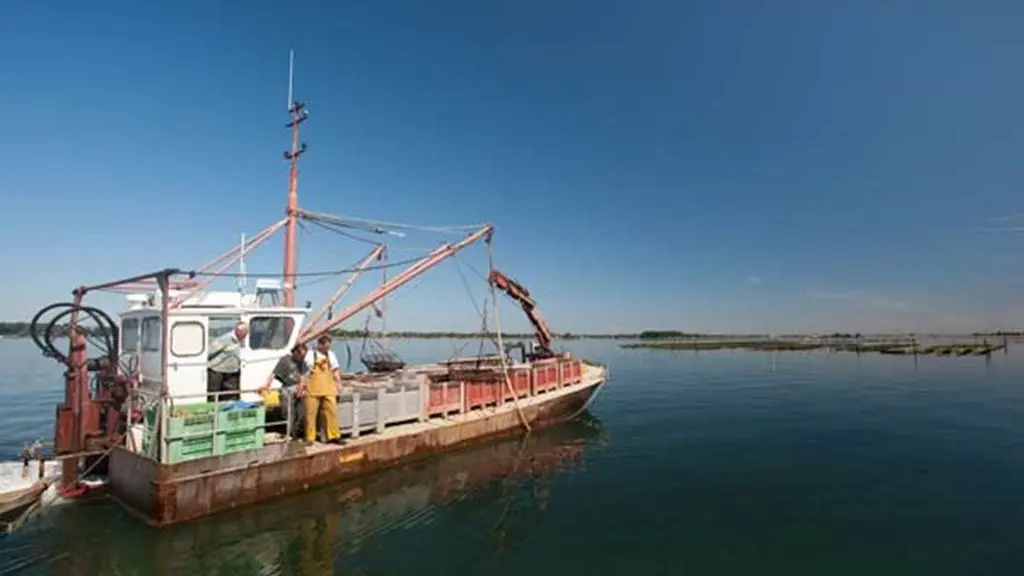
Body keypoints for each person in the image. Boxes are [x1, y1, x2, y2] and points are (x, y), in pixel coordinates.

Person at [299, 335, 343, 443]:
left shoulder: (331, 355)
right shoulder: (310, 355)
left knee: (332, 412)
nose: (327, 349)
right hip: (312, 389)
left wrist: (339, 383)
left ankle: (334, 436)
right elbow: (305, 373)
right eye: (325, 346)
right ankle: (310, 437)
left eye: (328, 347)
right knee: (310, 414)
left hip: (328, 388)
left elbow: (335, 370)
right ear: (319, 345)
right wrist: (302, 386)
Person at [207, 322, 248, 403]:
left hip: (232, 372)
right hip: (217, 371)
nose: (245, 336)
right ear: (238, 331)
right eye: (244, 333)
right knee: (214, 394)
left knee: (231, 395)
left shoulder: (240, 341)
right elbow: (210, 350)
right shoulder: (225, 339)